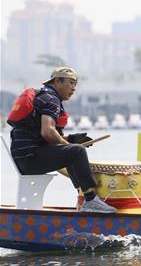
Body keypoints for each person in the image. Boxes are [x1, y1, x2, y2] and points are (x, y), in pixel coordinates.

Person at [6, 67, 116, 212]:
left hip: (25, 158)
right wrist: (69, 145)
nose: (74, 88)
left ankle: (84, 196)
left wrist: (71, 139)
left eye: (75, 84)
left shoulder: (43, 96)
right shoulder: (51, 99)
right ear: (57, 81)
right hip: (31, 159)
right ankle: (90, 199)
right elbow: (47, 132)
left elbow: (43, 134)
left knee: (73, 149)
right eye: (71, 83)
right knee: (76, 151)